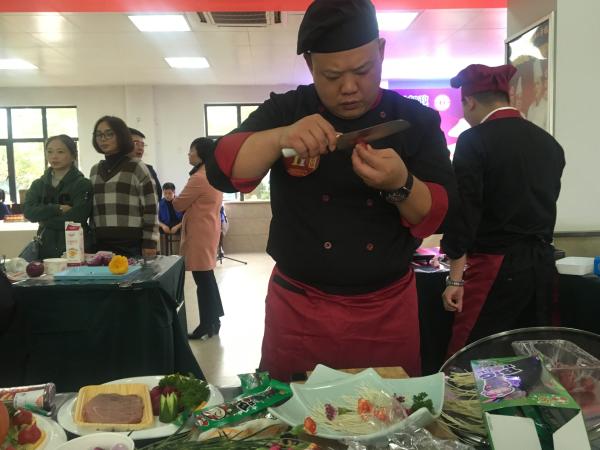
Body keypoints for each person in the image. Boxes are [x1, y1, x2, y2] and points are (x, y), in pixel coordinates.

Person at [205, 0, 457, 380]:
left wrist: (401, 184)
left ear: (381, 51)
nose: (349, 88)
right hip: (299, 308)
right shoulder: (288, 110)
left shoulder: (414, 120)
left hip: (387, 309)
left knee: (391, 411)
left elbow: (439, 214)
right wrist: (280, 138)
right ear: (310, 65)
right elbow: (222, 170)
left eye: (363, 70)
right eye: (332, 75)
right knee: (290, 412)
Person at [441, 64, 565, 357]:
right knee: (534, 354)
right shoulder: (549, 144)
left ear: (470, 101)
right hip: (542, 266)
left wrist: (455, 279)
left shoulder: (474, 140)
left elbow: (465, 213)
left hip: (494, 266)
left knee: (470, 354)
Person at [174, 138, 224, 340]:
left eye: (191, 150)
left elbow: (178, 204)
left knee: (203, 280)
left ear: (201, 154)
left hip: (199, 233)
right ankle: (214, 321)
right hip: (208, 230)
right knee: (207, 278)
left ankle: (206, 325)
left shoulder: (199, 178)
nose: (189, 154)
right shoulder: (212, 174)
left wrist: (174, 197)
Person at [90, 116, 159, 258]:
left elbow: (151, 207)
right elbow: (93, 209)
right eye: (99, 135)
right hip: (101, 242)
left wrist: (150, 242)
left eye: (109, 134)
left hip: (131, 243)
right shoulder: (95, 170)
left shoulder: (136, 167)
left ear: (121, 136)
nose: (103, 139)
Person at [23, 135, 92, 258]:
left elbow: (77, 218)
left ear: (73, 155)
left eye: (60, 152)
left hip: (75, 248)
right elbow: (28, 212)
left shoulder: (82, 184)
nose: (54, 156)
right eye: (50, 152)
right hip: (45, 248)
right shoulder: (38, 184)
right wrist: (57, 209)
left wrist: (43, 220)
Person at [128, 128, 162, 201]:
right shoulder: (114, 170)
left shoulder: (148, 169)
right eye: (136, 144)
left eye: (142, 145)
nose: (141, 148)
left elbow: (158, 195)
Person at [158, 182, 183, 255]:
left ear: (174, 192)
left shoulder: (180, 201)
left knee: (187, 227)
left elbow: (186, 218)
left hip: (178, 224)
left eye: (169, 193)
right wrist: (163, 226)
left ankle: (181, 253)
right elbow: (156, 219)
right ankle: (162, 254)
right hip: (166, 224)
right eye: (165, 193)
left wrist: (177, 226)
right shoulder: (161, 203)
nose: (167, 196)